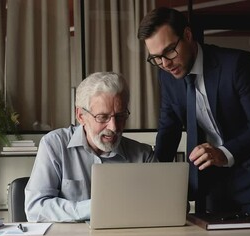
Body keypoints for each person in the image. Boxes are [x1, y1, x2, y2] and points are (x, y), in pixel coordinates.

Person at [137, 7, 250, 214]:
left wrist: (223, 153)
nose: (165, 63)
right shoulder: (167, 78)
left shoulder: (236, 64)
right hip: (213, 181)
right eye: (156, 58)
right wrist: (151, 177)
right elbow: (168, 130)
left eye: (170, 51)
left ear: (188, 35)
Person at [25, 72, 156, 222]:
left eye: (120, 116)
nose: (113, 127)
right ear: (81, 116)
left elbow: (172, 205)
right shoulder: (54, 145)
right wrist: (94, 208)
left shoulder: (143, 156)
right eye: (103, 117)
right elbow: (35, 208)